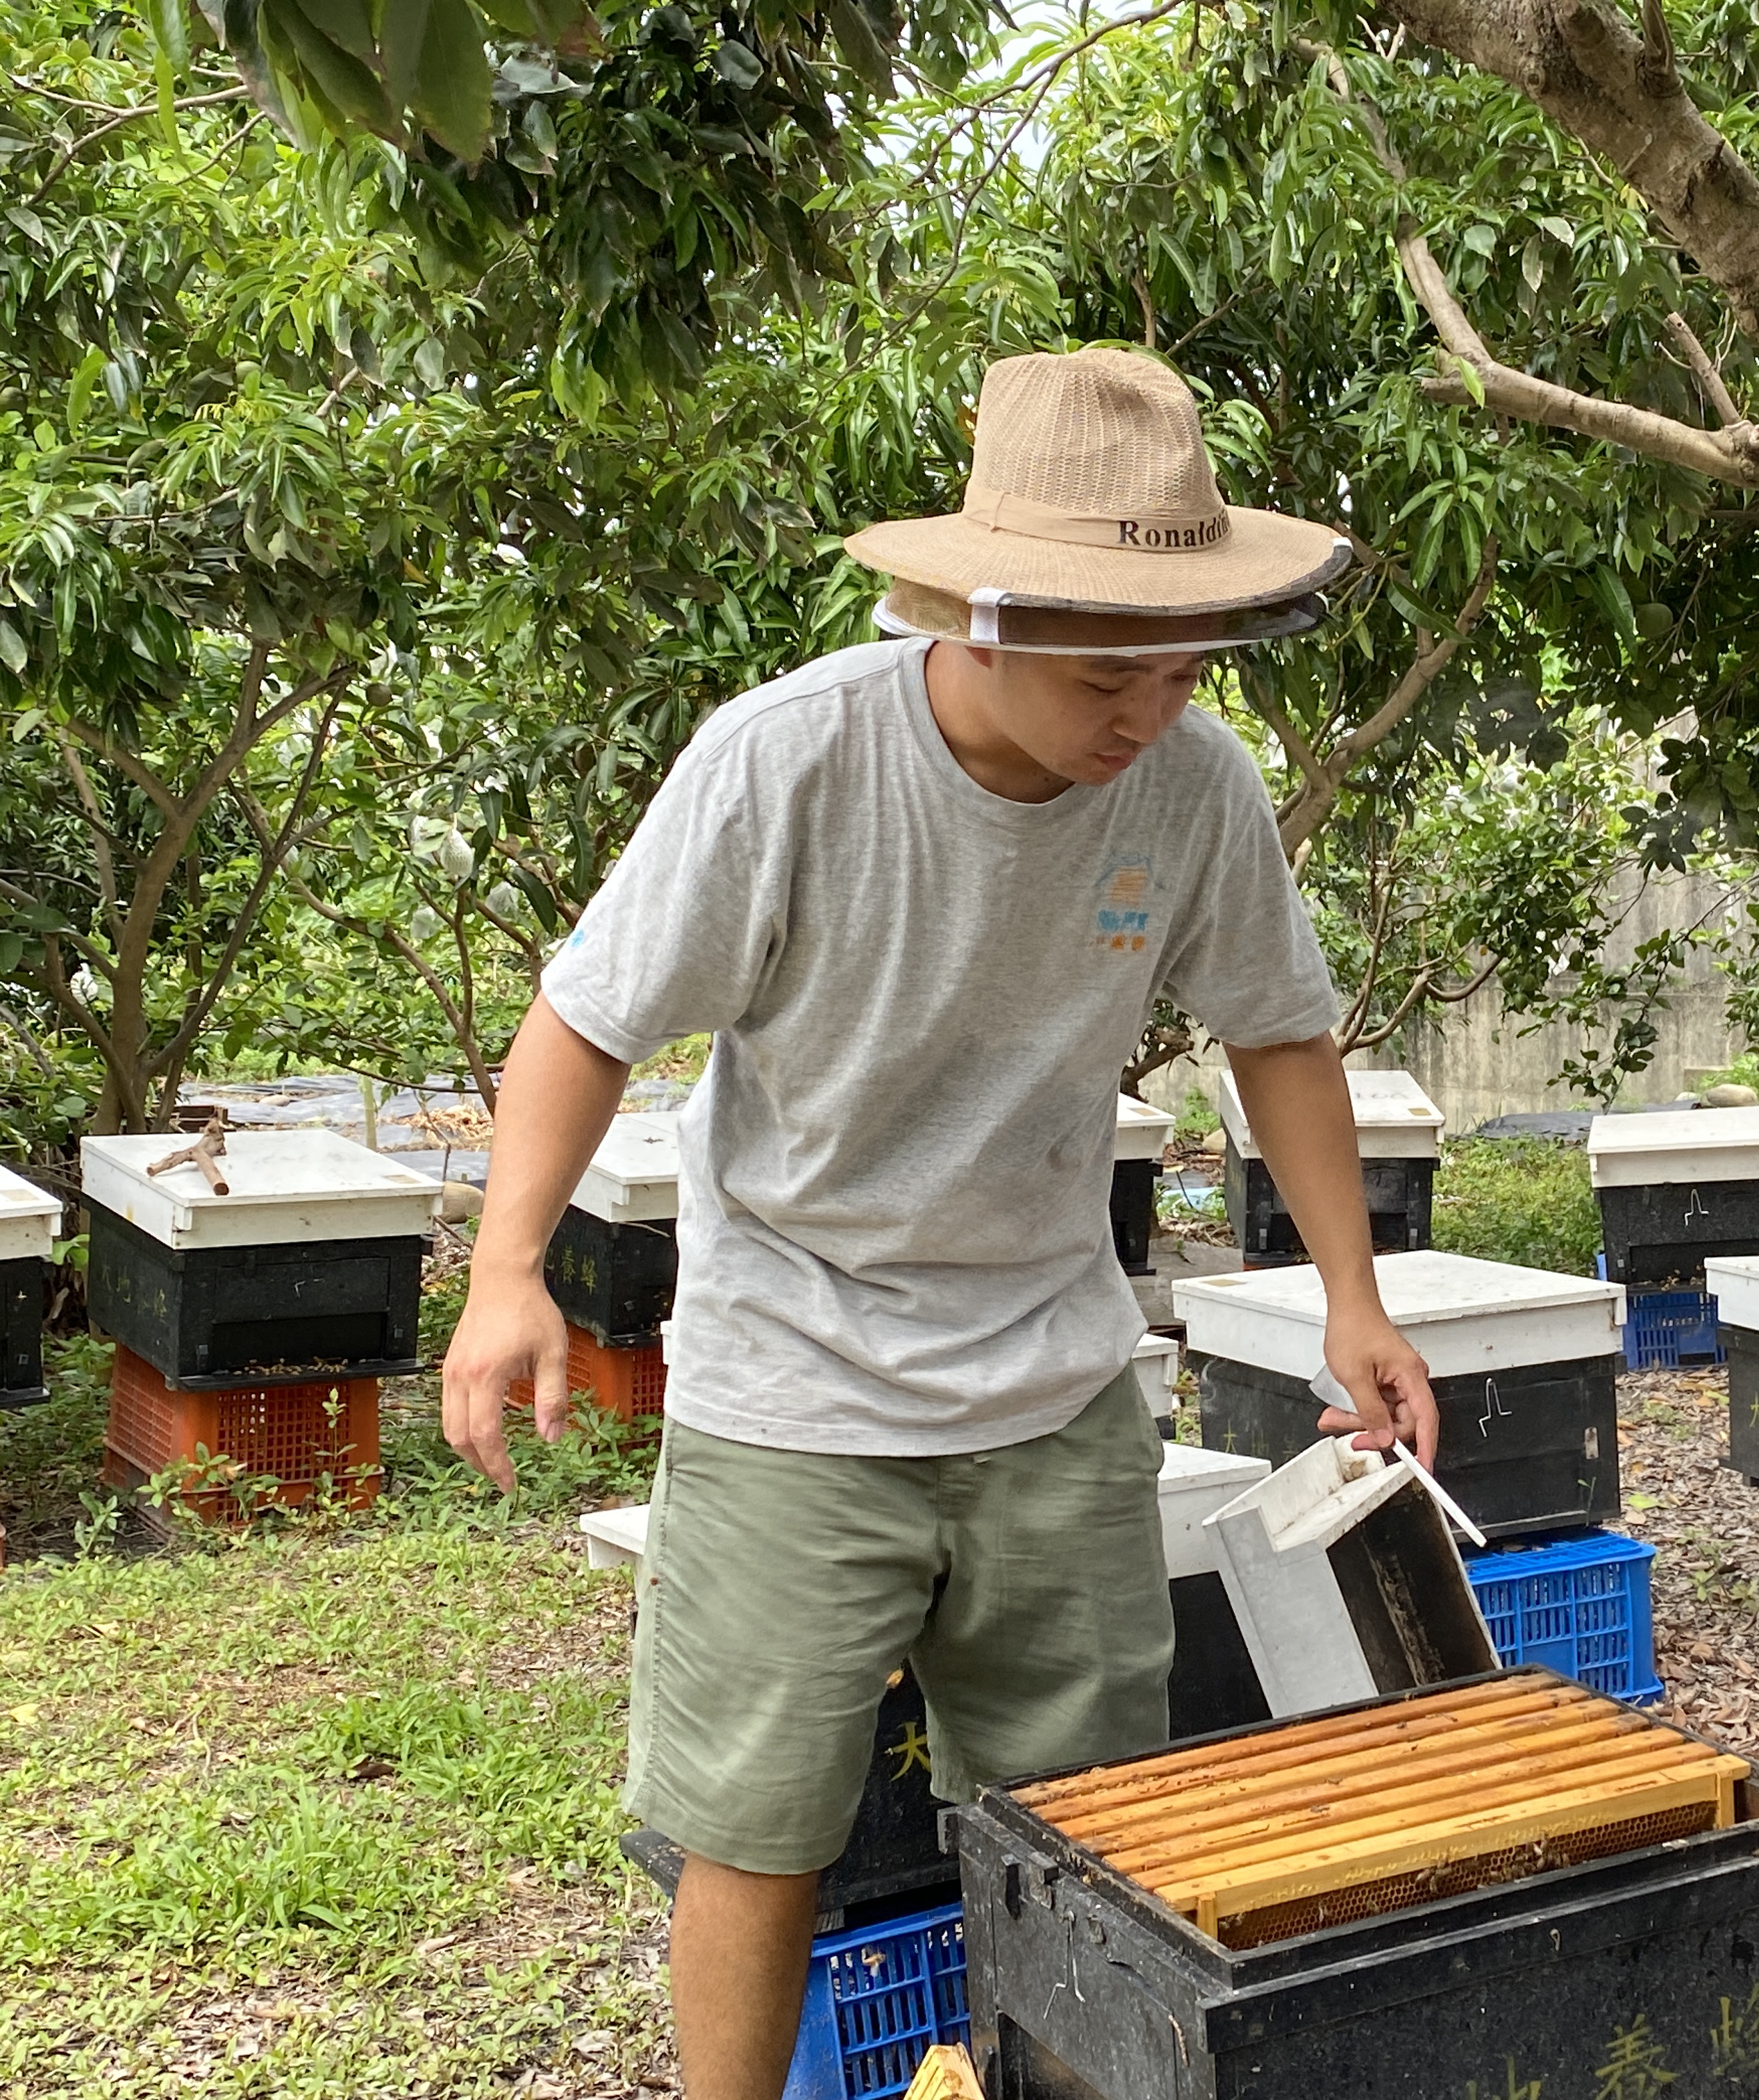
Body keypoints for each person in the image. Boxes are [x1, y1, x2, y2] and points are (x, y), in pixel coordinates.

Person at [437, 347, 1438, 2100]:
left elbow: (1281, 1031)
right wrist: (509, 1269)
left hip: (1052, 1380)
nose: (1155, 710)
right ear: (974, 616)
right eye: (1113, 668)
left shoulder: (1190, 786)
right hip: (794, 1383)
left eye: (1187, 663)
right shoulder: (789, 765)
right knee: (756, 1831)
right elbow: (588, 1018)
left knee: (1089, 1826)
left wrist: (1349, 1295)